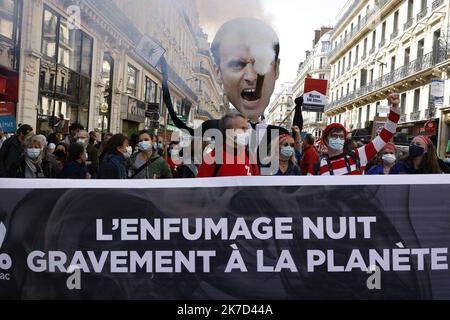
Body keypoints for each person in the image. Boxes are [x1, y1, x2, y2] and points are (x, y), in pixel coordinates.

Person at [164, 18, 293, 173]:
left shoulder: (279, 136)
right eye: (237, 64)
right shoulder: (211, 129)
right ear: (218, 73)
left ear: (276, 69)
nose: (251, 77)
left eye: (259, 63)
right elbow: (191, 163)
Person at [309, 93, 401, 176]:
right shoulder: (317, 167)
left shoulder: (359, 155)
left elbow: (386, 135)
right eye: (334, 136)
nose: (338, 139)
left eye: (341, 136)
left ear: (345, 140)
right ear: (326, 140)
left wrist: (395, 107)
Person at [197, 113, 259, 177]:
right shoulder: (211, 159)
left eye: (247, 128)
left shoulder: (250, 156)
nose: (247, 132)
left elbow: (257, 184)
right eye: (242, 128)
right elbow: (200, 185)